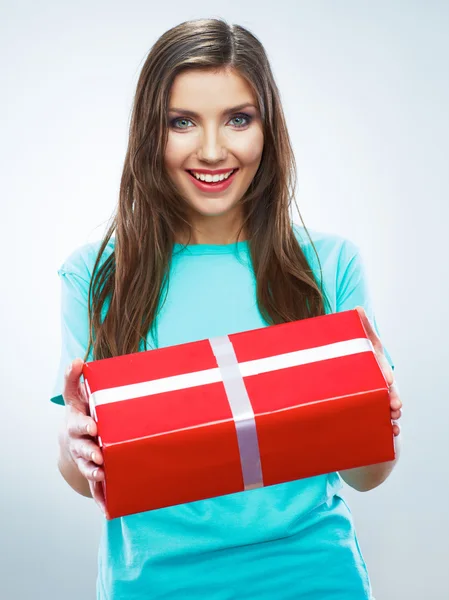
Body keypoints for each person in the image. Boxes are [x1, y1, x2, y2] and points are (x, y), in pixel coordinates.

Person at [51, 17, 403, 600]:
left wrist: (380, 420)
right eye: (182, 122)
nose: (213, 150)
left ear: (268, 128)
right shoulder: (95, 275)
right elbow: (81, 478)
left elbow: (366, 477)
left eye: (238, 119)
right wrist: (75, 441)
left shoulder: (330, 265)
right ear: (149, 132)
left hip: (314, 577)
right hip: (153, 583)